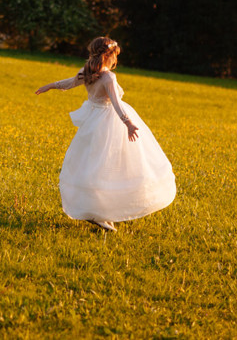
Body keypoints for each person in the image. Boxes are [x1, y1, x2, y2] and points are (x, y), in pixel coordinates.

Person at [35, 37, 176, 232]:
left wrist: (50, 85)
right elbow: (116, 103)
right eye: (115, 56)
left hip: (92, 121)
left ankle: (100, 211)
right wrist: (128, 123)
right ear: (109, 55)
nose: (116, 60)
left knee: (94, 164)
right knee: (111, 166)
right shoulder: (108, 77)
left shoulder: (87, 71)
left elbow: (68, 83)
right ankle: (101, 212)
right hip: (109, 122)